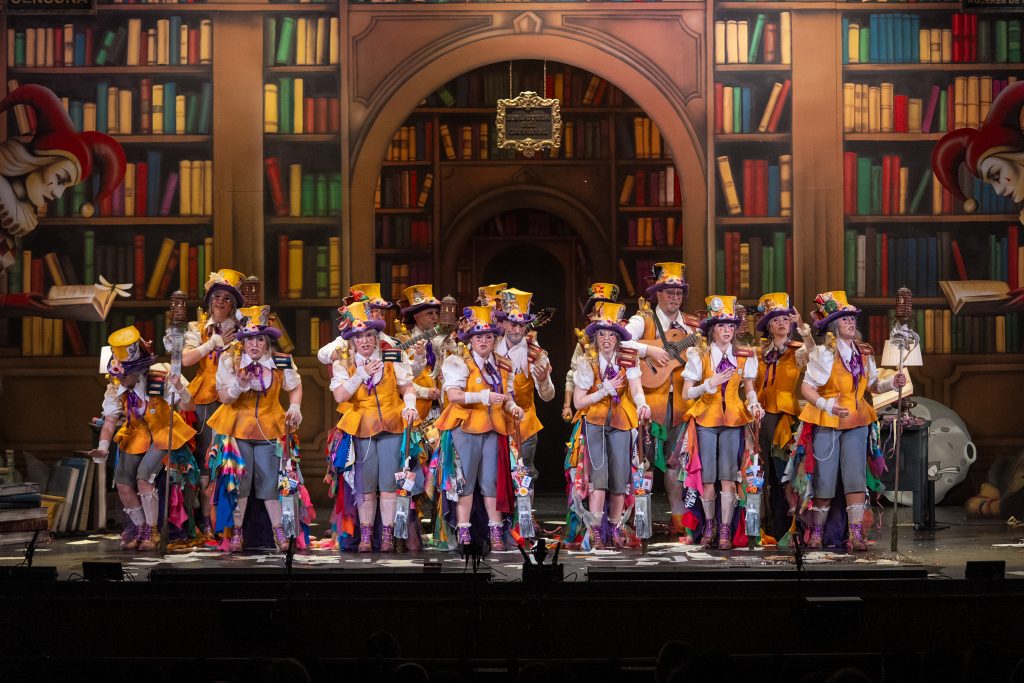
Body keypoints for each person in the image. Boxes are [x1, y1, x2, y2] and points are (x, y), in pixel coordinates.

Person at [797, 290, 906, 551]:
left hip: (857, 421)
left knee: (855, 477)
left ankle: (856, 534)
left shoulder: (864, 352)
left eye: (852, 319)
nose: (850, 322)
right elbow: (807, 388)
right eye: (845, 319)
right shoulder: (823, 354)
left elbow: (874, 385)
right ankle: (817, 533)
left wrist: (893, 382)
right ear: (834, 325)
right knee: (824, 478)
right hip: (828, 421)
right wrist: (826, 405)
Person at [0, 84, 125, 311]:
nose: (57, 194)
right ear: (41, 160)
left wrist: (19, 301)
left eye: (65, 188)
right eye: (60, 179)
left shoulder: (11, 222)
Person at [88, 326, 198, 551]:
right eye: (117, 374)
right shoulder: (115, 389)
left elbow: (189, 406)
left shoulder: (159, 379)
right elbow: (109, 423)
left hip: (162, 433)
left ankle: (152, 531)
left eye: (124, 374)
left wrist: (179, 387)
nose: (120, 379)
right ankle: (140, 528)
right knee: (122, 483)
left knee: (144, 478)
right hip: (136, 434)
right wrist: (103, 447)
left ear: (137, 370)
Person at [205, 305, 303, 552]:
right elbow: (224, 397)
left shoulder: (281, 361)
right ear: (243, 341)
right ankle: (237, 533)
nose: (254, 344)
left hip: (269, 428)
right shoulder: (230, 360)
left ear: (267, 341)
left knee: (270, 482)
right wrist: (238, 385)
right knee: (240, 481)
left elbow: (295, 386)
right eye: (249, 339)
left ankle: (279, 532)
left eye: (260, 339)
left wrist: (295, 406)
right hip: (237, 427)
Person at [329, 301, 420, 552]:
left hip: (392, 425)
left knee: (389, 485)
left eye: (369, 335)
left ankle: (387, 537)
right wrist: (361, 373)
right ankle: (367, 537)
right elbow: (340, 395)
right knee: (365, 486)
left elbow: (407, 386)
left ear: (376, 337)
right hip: (362, 429)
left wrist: (410, 405)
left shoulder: (392, 356)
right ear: (352, 341)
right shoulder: (344, 363)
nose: (365, 341)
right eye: (359, 337)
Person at [436, 305, 525, 550]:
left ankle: (495, 530)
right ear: (470, 340)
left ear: (494, 339)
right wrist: (484, 397)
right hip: (465, 428)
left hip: (494, 429)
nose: (483, 341)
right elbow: (454, 395)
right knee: (465, 481)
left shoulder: (503, 364)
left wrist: (513, 407)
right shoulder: (458, 362)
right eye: (478, 337)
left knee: (491, 481)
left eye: (488, 336)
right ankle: (464, 530)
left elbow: (507, 396)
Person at [622, 262, 700, 536]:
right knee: (644, 462)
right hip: (650, 403)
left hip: (681, 403)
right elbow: (621, 340)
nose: (674, 298)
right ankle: (638, 520)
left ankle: (678, 520)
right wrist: (649, 351)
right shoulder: (642, 321)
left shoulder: (691, 325)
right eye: (669, 292)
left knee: (676, 463)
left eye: (678, 293)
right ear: (657, 294)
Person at [681, 295, 764, 550]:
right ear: (712, 330)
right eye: (721, 325)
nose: (727, 330)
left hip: (733, 420)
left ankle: (725, 529)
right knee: (708, 477)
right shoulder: (700, 355)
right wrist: (709, 384)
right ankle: (709, 525)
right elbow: (686, 393)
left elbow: (749, 389)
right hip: (706, 419)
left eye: (730, 325)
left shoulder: (745, 355)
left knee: (728, 477)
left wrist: (754, 404)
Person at [570, 301, 652, 548]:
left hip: (621, 421)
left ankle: (615, 527)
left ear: (618, 338)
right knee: (599, 478)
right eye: (602, 334)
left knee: (619, 478)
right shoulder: (588, 362)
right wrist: (603, 391)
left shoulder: (628, 360)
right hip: (595, 421)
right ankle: (596, 529)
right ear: (595, 338)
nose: (606, 339)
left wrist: (642, 404)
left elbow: (636, 389)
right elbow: (578, 402)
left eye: (611, 335)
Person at [181, 268, 245, 536]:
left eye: (227, 298)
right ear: (209, 301)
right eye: (217, 296)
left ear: (233, 305)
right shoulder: (198, 329)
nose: (221, 301)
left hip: (234, 398)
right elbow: (186, 360)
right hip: (206, 398)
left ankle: (232, 522)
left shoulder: (242, 328)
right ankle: (207, 520)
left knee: (233, 460)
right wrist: (212, 344)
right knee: (207, 459)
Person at [753, 292, 808, 538]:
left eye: (786, 319)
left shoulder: (797, 351)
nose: (782, 323)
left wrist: (804, 329)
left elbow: (814, 356)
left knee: (784, 472)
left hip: (786, 417)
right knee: (762, 473)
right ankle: (764, 525)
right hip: (761, 417)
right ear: (768, 326)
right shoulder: (759, 353)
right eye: (776, 320)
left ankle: (789, 527)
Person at [494, 288, 555, 494]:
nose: (517, 330)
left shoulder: (536, 354)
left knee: (524, 475)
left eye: (521, 325)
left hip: (524, 423)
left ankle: (524, 513)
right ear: (503, 323)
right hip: (494, 421)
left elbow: (548, 396)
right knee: (495, 476)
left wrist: (543, 379)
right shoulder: (490, 348)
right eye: (513, 324)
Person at [563, 282, 621, 423]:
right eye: (597, 308)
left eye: (606, 306)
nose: (602, 312)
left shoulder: (623, 338)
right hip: (592, 411)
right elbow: (572, 375)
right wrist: (567, 405)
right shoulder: (584, 342)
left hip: (621, 411)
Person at [399, 284, 449, 422]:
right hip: (417, 410)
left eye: (436, 313)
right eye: (430, 313)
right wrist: (425, 392)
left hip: (443, 409)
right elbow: (398, 380)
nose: (435, 317)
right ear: (417, 316)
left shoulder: (443, 341)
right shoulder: (404, 342)